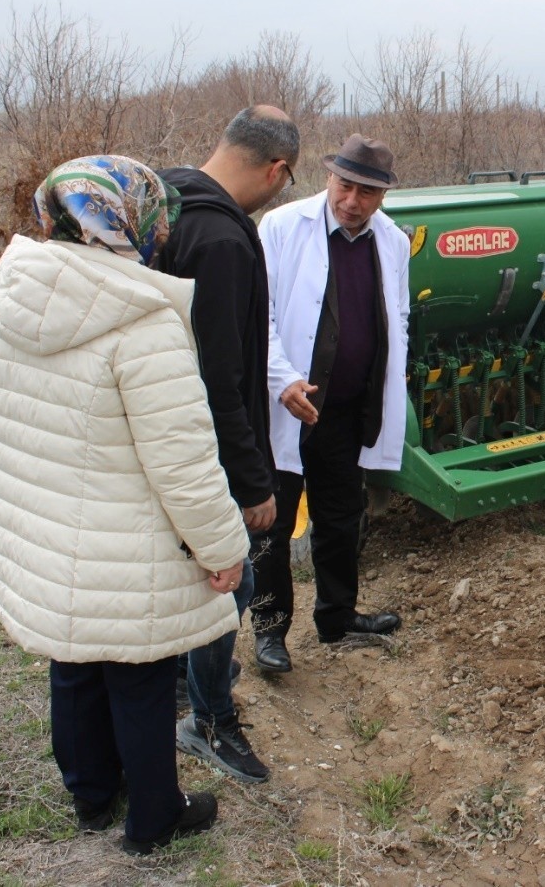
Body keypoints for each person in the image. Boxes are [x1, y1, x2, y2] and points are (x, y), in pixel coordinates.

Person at [0, 155, 249, 854]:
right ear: (128, 218)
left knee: (73, 664)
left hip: (44, 526)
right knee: (140, 676)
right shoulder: (141, 320)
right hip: (123, 541)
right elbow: (183, 462)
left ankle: (92, 795)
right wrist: (221, 551)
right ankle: (154, 815)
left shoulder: (12, 297)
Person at [156, 105, 299, 784]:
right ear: (276, 170)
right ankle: (208, 717)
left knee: (193, 579)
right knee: (229, 582)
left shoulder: (166, 197)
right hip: (200, 443)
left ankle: (188, 683)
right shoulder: (222, 240)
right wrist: (252, 482)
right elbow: (223, 373)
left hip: (156, 434)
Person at [255, 134, 409, 652]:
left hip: (346, 410)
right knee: (272, 526)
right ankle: (270, 632)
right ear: (329, 178)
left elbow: (398, 317)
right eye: (345, 186)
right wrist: (282, 380)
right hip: (291, 407)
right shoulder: (281, 228)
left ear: (382, 195)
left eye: (366, 193)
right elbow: (261, 319)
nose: (352, 201)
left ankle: (337, 619)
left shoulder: (391, 240)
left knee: (342, 518)